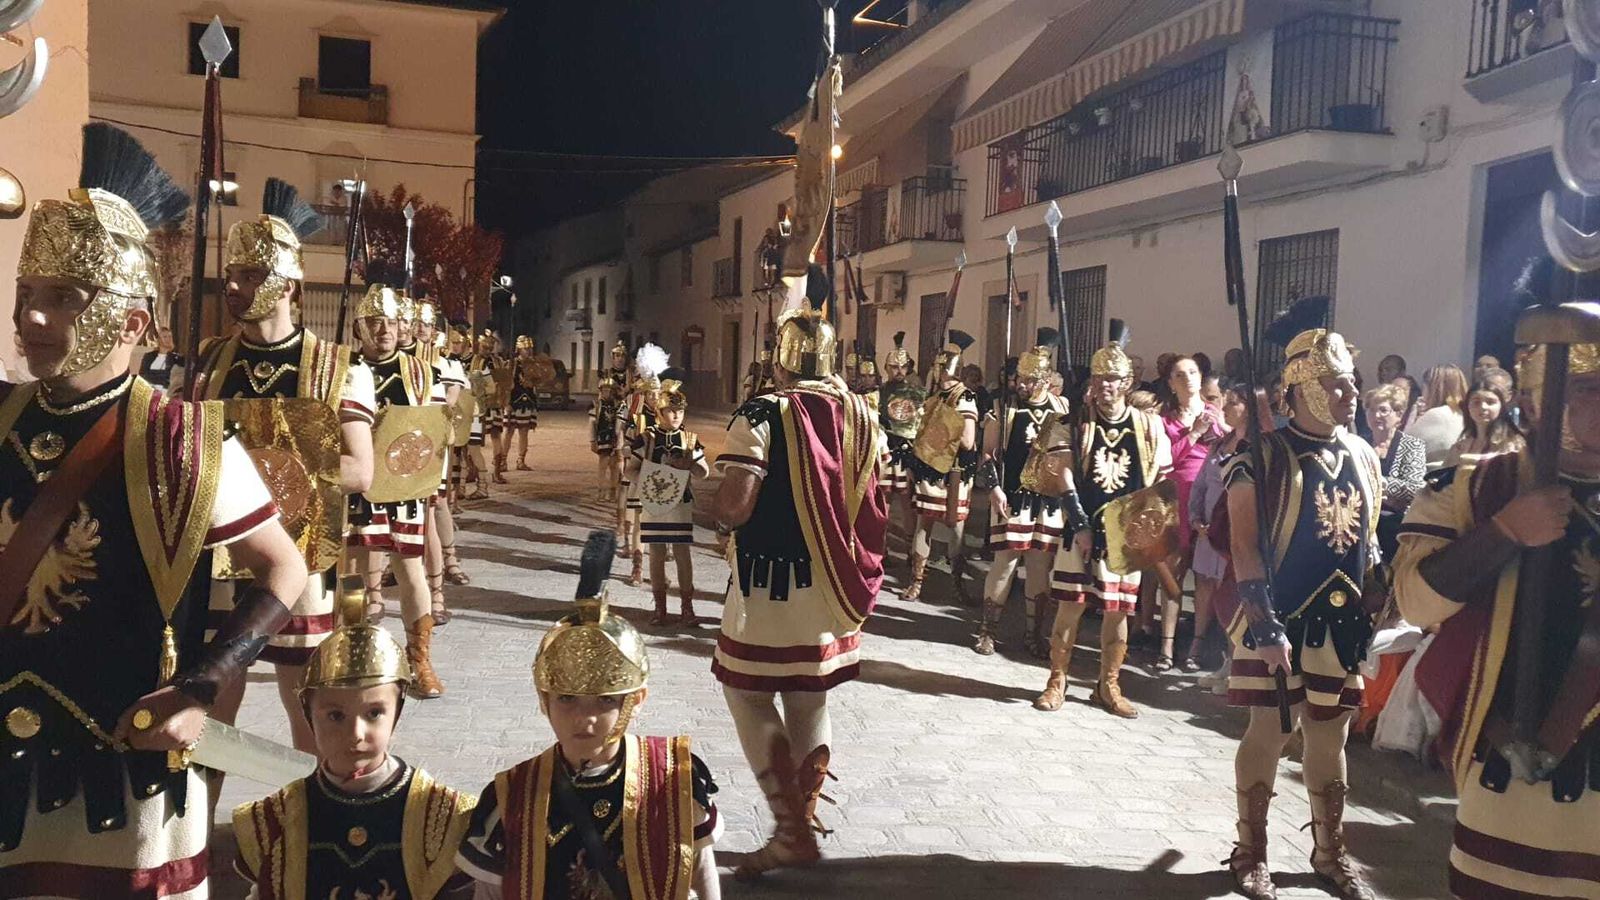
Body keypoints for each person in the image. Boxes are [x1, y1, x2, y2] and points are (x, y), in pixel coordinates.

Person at [0, 123, 307, 898]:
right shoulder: (1, 418)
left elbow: (285, 568)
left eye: (64, 299)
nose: (31, 318)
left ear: (133, 322)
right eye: (26, 296)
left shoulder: (183, 440)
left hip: (124, 759)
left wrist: (202, 684)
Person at [1393, 300, 1600, 900]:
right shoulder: (1476, 486)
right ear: (1539, 399)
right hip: (1516, 760)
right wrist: (1505, 531)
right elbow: (1416, 604)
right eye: (1589, 386)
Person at [185, 178, 377, 753]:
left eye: (251, 276)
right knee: (213, 710)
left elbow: (360, 471)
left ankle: (305, 835)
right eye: (233, 275)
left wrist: (279, 475)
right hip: (219, 559)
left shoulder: (336, 367)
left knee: (310, 710)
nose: (235, 286)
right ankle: (199, 833)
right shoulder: (210, 361)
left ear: (289, 285)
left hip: (302, 560)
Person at [710, 290, 887, 879]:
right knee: (809, 697)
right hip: (835, 589)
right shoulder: (863, 415)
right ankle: (804, 825)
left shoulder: (761, 413)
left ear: (780, 360)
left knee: (747, 692)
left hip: (770, 587)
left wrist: (692, 484)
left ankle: (790, 832)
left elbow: (735, 507)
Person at [457, 531, 723, 900]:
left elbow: (702, 876)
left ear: (636, 699)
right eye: (567, 699)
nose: (585, 718)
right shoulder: (508, 798)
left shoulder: (675, 781)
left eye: (604, 700)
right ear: (543, 698)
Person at [1223, 324, 1382, 900]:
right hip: (1280, 617)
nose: (1351, 394)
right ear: (1301, 387)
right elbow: (1243, 543)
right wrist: (1264, 623)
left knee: (1330, 738)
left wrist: (1380, 606)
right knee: (1269, 730)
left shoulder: (1363, 454)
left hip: (1340, 624)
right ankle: (1250, 851)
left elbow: (1368, 543)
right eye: (1337, 385)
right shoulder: (1262, 454)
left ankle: (1329, 849)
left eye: (1352, 384)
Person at [232, 586, 477, 899]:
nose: (356, 733)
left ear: (397, 711)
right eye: (336, 716)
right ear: (308, 714)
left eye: (374, 713)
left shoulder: (441, 815)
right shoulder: (274, 821)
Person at [1034, 323, 1172, 717]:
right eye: (1100, 377)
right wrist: (1078, 524)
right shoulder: (1075, 423)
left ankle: (1108, 684)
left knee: (1118, 610)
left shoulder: (1150, 427)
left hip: (1125, 531)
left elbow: (1160, 481)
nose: (1106, 385)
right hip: (1081, 527)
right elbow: (1061, 474)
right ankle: (1056, 680)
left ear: (1128, 381)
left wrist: (1148, 534)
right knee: (1071, 605)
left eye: (1114, 378)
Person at [346, 284, 445, 699]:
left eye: (389, 321)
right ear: (359, 328)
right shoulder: (343, 371)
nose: (383, 329)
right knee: (350, 572)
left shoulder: (423, 372)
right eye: (374, 321)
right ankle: (350, 655)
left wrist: (434, 482)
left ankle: (419, 659)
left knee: (409, 570)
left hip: (404, 486)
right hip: (356, 486)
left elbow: (435, 433)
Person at [978, 329, 1077, 658]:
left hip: (1047, 500)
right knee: (1004, 563)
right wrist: (993, 487)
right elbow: (988, 454)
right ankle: (988, 630)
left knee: (1039, 566)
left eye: (1029, 380)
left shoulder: (1061, 407)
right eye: (1019, 378)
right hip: (1012, 496)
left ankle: (1034, 633)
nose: (1021, 385)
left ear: (1045, 380)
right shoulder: (1003, 410)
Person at [1153, 354, 1225, 671]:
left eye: (1193, 372)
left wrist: (1217, 431)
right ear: (1171, 383)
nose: (1189, 379)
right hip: (1176, 498)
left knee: (1206, 576)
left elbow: (1230, 448)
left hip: (1209, 499)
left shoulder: (1215, 413)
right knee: (1173, 574)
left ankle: (1196, 646)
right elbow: (1168, 459)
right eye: (1180, 375)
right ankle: (1166, 647)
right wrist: (1193, 433)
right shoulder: (1165, 419)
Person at [903, 330, 979, 602]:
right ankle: (925, 583)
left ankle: (942, 584)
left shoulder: (962, 397)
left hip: (951, 471)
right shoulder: (938, 397)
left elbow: (967, 441)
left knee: (945, 527)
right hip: (937, 471)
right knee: (937, 526)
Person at [630, 372, 709, 626]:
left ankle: (687, 607)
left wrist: (689, 464)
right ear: (659, 413)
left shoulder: (689, 440)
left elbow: (704, 472)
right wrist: (650, 474)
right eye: (671, 411)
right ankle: (660, 608)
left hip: (680, 503)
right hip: (654, 502)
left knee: (682, 553)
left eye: (680, 411)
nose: (676, 416)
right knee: (656, 553)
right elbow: (629, 470)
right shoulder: (647, 438)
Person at [1185, 384, 1248, 673]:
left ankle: (1230, 656)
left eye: (1232, 402)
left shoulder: (1257, 447)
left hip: (1234, 534)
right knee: (1204, 586)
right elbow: (1200, 484)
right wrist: (1195, 517)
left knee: (1230, 592)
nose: (1224, 408)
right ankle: (1196, 644)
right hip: (1208, 530)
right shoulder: (1219, 444)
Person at [417, 302, 470, 623]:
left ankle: (450, 561)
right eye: (416, 324)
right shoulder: (403, 362)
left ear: (434, 330)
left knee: (437, 502)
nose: (420, 330)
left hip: (433, 439)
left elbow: (447, 404)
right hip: (401, 441)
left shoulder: (449, 366)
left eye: (425, 325)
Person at [620, 343, 668, 586]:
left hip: (662, 478)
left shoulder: (667, 416)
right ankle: (637, 567)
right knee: (639, 520)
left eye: (657, 394)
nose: (654, 398)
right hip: (641, 474)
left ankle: (659, 571)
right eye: (651, 394)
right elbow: (628, 440)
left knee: (659, 525)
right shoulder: (638, 415)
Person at [1366, 383, 1427, 562]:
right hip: (1365, 523)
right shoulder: (1359, 444)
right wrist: (1389, 496)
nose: (1376, 415)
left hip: (1397, 525)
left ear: (1399, 415)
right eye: (1371, 409)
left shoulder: (1412, 445)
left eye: (1383, 410)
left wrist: (1377, 483)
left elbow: (1415, 488)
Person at [874, 331, 922, 538]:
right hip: (885, 452)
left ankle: (913, 551)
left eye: (903, 366)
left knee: (908, 504)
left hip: (909, 453)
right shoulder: (878, 393)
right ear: (886, 368)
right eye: (894, 366)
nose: (899, 371)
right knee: (882, 502)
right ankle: (880, 549)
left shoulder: (919, 394)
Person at [1448, 376, 1525, 464]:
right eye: (1476, 402)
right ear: (1467, 407)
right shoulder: (1459, 448)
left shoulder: (1513, 446)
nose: (1483, 407)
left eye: (1490, 402)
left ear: (1501, 407)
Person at [1405, 364, 1468, 470]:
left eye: (1424, 387)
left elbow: (1404, 450)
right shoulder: (1464, 414)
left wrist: (1413, 416)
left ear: (1433, 388)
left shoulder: (1437, 415)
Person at [507, 336, 541, 471]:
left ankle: (521, 460)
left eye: (529, 348)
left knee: (524, 431)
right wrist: (507, 402)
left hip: (528, 401)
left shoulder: (533, 364)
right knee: (508, 431)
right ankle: (501, 460)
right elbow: (507, 383)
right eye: (525, 348)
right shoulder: (513, 364)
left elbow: (537, 382)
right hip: (514, 401)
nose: (528, 351)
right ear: (519, 349)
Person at [589, 374, 622, 502]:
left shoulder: (617, 406)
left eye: (609, 390)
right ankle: (601, 490)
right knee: (603, 464)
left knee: (614, 465)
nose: (606, 393)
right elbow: (591, 424)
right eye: (604, 390)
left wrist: (619, 440)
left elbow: (620, 423)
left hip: (614, 438)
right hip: (602, 438)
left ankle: (613, 491)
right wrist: (592, 440)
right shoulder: (596, 406)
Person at [137, 324, 183, 389]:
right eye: (165, 337)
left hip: (167, 393)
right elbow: (143, 376)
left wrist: (151, 373)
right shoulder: (149, 356)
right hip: (148, 391)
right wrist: (163, 376)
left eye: (170, 336)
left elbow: (170, 377)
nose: (168, 339)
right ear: (159, 339)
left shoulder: (177, 358)